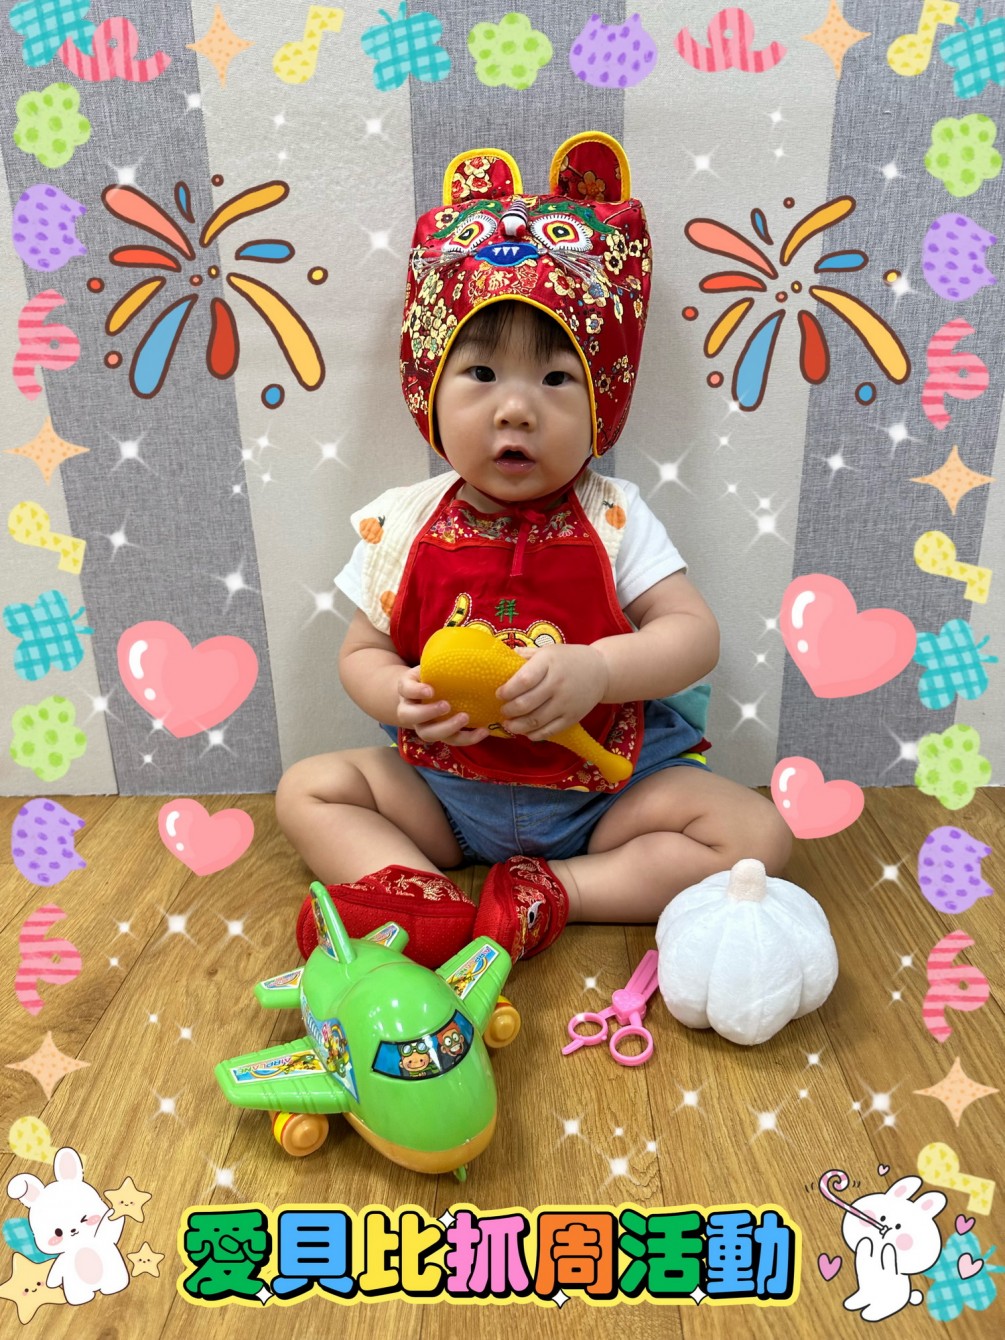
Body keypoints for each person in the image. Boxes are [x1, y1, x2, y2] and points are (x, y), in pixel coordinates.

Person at [276, 132, 792, 967]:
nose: (515, 409)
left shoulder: (615, 516)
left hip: (603, 798)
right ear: (429, 391)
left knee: (754, 836)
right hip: (443, 796)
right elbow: (361, 651)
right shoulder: (400, 522)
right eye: (481, 375)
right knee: (309, 789)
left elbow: (692, 636)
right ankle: (423, 895)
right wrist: (397, 693)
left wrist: (600, 670)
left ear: (601, 404)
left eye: (555, 379)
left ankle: (560, 892)